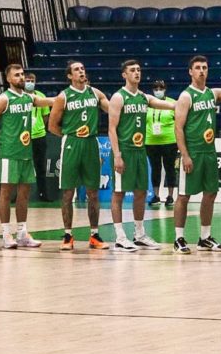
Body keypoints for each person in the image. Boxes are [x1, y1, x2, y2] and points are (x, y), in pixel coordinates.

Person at [0, 63, 55, 249]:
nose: (21, 78)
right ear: (8, 79)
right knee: (6, 193)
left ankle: (22, 232)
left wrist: (65, 97)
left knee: (24, 193)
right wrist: (2, 139)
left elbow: (48, 102)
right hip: (9, 153)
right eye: (17, 75)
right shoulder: (3, 99)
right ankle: (6, 234)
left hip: (26, 153)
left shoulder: (30, 98)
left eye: (22, 74)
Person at [172, 56, 221, 253]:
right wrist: (184, 154)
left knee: (211, 193)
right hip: (192, 152)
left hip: (210, 151)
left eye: (204, 67)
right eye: (198, 68)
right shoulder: (186, 96)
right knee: (184, 196)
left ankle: (204, 237)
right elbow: (178, 128)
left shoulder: (212, 93)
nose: (202, 70)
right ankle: (178, 238)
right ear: (190, 72)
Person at [107, 60, 175, 251]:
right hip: (125, 151)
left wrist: (183, 104)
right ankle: (120, 236)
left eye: (138, 70)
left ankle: (139, 234)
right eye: (132, 70)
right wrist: (117, 155)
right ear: (124, 75)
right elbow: (112, 129)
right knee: (119, 193)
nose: (137, 73)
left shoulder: (144, 97)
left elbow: (163, 104)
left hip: (140, 150)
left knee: (141, 192)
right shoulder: (119, 97)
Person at [47, 60, 113, 250]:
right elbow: (52, 125)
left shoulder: (95, 93)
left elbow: (111, 110)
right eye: (77, 69)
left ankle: (94, 235)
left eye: (83, 68)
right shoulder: (63, 97)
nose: (81, 71)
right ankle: (68, 235)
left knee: (93, 192)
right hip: (72, 143)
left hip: (92, 142)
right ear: (69, 76)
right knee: (68, 192)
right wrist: (69, 136)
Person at [145, 78, 178, 207]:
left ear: (165, 89)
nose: (158, 91)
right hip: (151, 141)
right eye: (156, 89)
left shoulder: (172, 103)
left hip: (169, 140)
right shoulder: (147, 103)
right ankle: (156, 195)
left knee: (169, 168)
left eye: (161, 88)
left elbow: (179, 122)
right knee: (155, 168)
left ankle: (170, 196)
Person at [23, 71, 53, 201]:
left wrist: (39, 127)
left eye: (32, 80)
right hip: (23, 137)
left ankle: (43, 194)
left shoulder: (40, 96)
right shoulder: (20, 96)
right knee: (22, 167)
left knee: (40, 166)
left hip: (39, 135)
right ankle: (18, 195)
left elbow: (46, 116)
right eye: (27, 80)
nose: (30, 83)